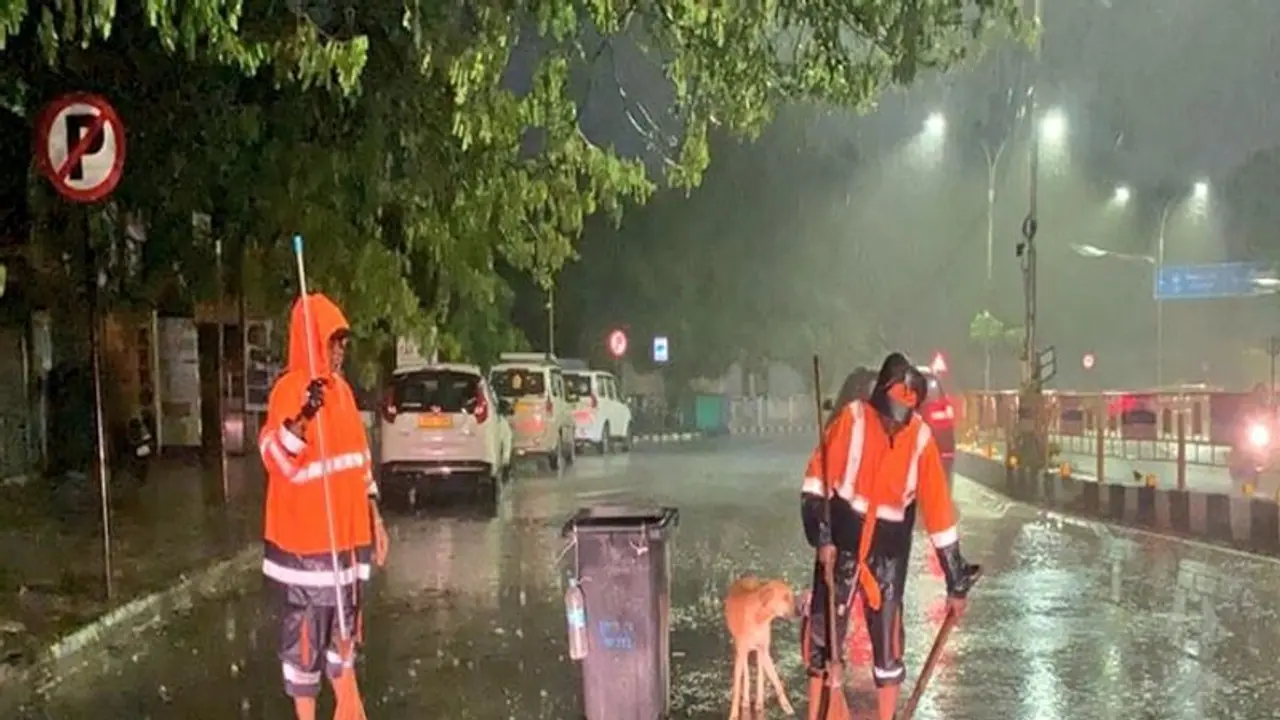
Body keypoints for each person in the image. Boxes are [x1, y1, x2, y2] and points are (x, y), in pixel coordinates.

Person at [800, 352, 978, 720]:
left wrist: (955, 580)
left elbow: (939, 514)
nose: (895, 426)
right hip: (843, 538)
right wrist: (822, 537)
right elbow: (816, 480)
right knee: (823, 638)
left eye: (904, 417)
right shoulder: (852, 421)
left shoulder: (921, 440)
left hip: (888, 550)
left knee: (889, 645)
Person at [257, 292, 390, 720]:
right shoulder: (290, 392)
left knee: (344, 637)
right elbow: (277, 459)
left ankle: (350, 710)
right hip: (306, 549)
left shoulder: (345, 395)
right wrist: (303, 416)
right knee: (305, 644)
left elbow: (360, 463)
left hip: (347, 544)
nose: (340, 352)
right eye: (333, 342)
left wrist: (376, 518)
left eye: (343, 344)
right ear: (313, 340)